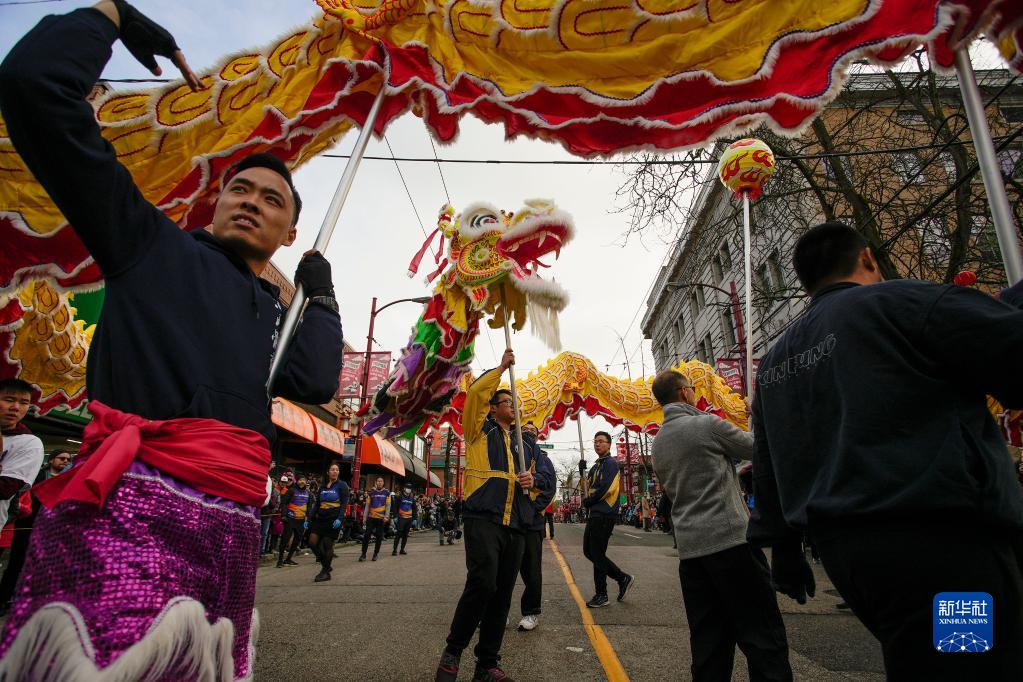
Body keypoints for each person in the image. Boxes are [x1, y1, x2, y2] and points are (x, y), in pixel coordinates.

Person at [0, 3, 344, 678]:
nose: (252, 201)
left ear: (289, 234)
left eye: (273, 200)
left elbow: (313, 379)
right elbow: (33, 87)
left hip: (230, 539)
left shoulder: (274, 311)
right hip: (127, 518)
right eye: (240, 189)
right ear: (217, 204)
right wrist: (110, 14)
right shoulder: (148, 244)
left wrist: (321, 299)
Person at [747, 222, 1023, 680]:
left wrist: (783, 547)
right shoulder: (900, 303)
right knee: (969, 664)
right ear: (868, 258)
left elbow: (769, 458)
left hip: (851, 556)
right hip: (942, 545)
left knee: (924, 657)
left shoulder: (775, 362)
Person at [651, 370, 794, 681]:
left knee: (709, 644)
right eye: (691, 388)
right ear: (683, 393)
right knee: (762, 635)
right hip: (731, 543)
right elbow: (756, 447)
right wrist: (757, 415)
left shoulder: (658, 443)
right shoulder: (706, 425)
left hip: (691, 552)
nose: (694, 392)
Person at [434, 349, 537, 682]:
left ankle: (487, 664)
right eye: (508, 402)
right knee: (483, 583)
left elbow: (540, 483)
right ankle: (453, 652)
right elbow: (477, 391)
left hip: (516, 522)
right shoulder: (478, 429)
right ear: (493, 409)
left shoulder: (525, 443)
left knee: (503, 594)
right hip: (483, 517)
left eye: (515, 403)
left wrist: (532, 481)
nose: (514, 406)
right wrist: (502, 368)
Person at [582, 431, 634, 608]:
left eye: (601, 441)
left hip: (605, 513)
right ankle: (622, 577)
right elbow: (587, 487)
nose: (597, 444)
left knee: (596, 553)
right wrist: (582, 471)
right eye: (595, 441)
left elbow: (607, 488)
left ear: (609, 444)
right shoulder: (596, 466)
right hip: (595, 513)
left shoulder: (611, 463)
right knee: (589, 552)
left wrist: (590, 501)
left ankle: (602, 594)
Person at [516, 422, 556, 633]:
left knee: (531, 569)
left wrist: (531, 510)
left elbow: (550, 489)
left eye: (533, 431)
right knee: (503, 570)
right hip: (510, 521)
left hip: (532, 523)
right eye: (525, 430)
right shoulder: (511, 454)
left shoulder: (544, 460)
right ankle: (496, 611)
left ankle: (531, 612)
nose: (529, 433)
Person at [308, 463, 350, 582]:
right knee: (312, 542)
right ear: (328, 472)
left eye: (337, 470)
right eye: (332, 469)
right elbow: (317, 504)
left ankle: (325, 573)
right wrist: (309, 518)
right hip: (320, 518)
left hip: (333, 518)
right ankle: (326, 565)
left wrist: (340, 519)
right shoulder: (323, 487)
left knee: (327, 544)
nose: (335, 471)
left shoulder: (342, 485)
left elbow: (344, 504)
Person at [277, 476, 313, 567]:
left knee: (297, 540)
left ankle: (288, 559)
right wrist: (284, 515)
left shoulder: (308, 493)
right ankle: (280, 560)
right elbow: (284, 503)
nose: (302, 482)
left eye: (304, 480)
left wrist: (308, 519)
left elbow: (309, 507)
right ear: (297, 481)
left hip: (301, 520)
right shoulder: (291, 491)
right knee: (285, 539)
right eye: (300, 480)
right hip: (290, 518)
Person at [360, 477, 390, 561]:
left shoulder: (387, 493)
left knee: (379, 537)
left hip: (381, 519)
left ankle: (375, 554)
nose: (379, 482)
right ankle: (363, 554)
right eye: (378, 481)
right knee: (366, 536)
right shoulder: (371, 493)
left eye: (381, 481)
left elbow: (388, 506)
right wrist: (364, 517)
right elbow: (367, 506)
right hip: (371, 517)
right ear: (376, 482)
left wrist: (386, 516)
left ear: (383, 483)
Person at [392, 484, 417, 556]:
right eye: (407, 488)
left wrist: (414, 519)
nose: (408, 489)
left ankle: (402, 549)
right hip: (401, 518)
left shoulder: (412, 499)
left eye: (410, 488)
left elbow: (414, 509)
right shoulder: (399, 497)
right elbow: (395, 507)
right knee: (398, 534)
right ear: (404, 488)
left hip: (409, 519)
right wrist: (395, 516)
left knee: (405, 535)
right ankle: (394, 550)